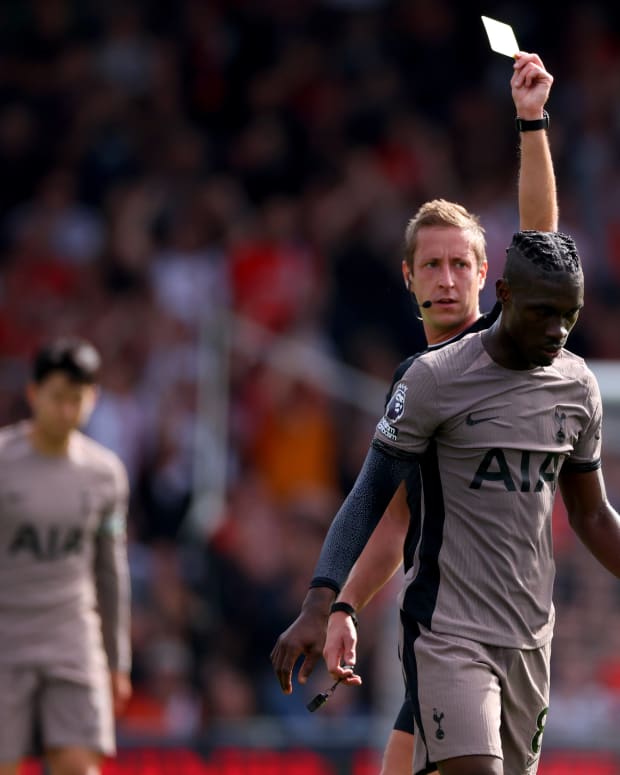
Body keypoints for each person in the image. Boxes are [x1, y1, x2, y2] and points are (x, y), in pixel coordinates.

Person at [271, 50, 556, 774]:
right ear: (407, 277)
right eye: (432, 264)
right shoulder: (421, 381)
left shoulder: (513, 348)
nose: (448, 277)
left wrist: (532, 122)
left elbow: (543, 241)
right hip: (445, 644)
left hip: (515, 642)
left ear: (487, 274)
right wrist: (338, 606)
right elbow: (391, 514)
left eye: (462, 263)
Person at [302, 228, 620, 775]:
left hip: (527, 639)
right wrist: (328, 602)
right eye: (545, 312)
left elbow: (592, 514)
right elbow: (374, 500)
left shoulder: (577, 387)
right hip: (446, 634)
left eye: (571, 314)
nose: (558, 329)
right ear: (504, 294)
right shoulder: (433, 380)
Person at [0, 338, 132, 775]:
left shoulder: (104, 474)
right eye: (57, 397)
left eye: (77, 399)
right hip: (6, 635)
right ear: (34, 393)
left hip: (71, 637)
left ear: (92, 398)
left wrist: (117, 660)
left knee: (78, 765)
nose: (66, 410)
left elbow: (110, 573)